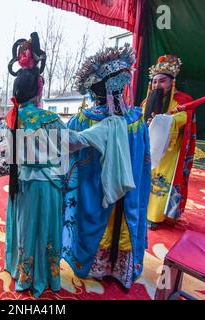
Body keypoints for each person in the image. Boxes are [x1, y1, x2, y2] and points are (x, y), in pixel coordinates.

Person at [4, 33, 132, 298]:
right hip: (44, 187)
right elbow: (73, 142)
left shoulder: (12, 117)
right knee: (43, 230)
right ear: (38, 90)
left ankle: (22, 270)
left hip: (21, 186)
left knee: (25, 227)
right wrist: (105, 129)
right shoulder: (48, 119)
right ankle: (42, 275)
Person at [62, 44, 151, 290]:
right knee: (126, 217)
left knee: (95, 216)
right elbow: (145, 163)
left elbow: (68, 158)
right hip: (129, 190)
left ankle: (94, 265)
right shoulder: (136, 120)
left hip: (95, 191)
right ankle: (121, 267)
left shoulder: (83, 120)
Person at [141, 55, 194, 230]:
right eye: (154, 82)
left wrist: (163, 121)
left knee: (161, 181)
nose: (157, 86)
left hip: (170, 151)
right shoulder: (146, 101)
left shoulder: (183, 100)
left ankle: (156, 215)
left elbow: (184, 116)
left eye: (162, 82)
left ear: (172, 82)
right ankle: (142, 210)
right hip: (147, 148)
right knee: (145, 178)